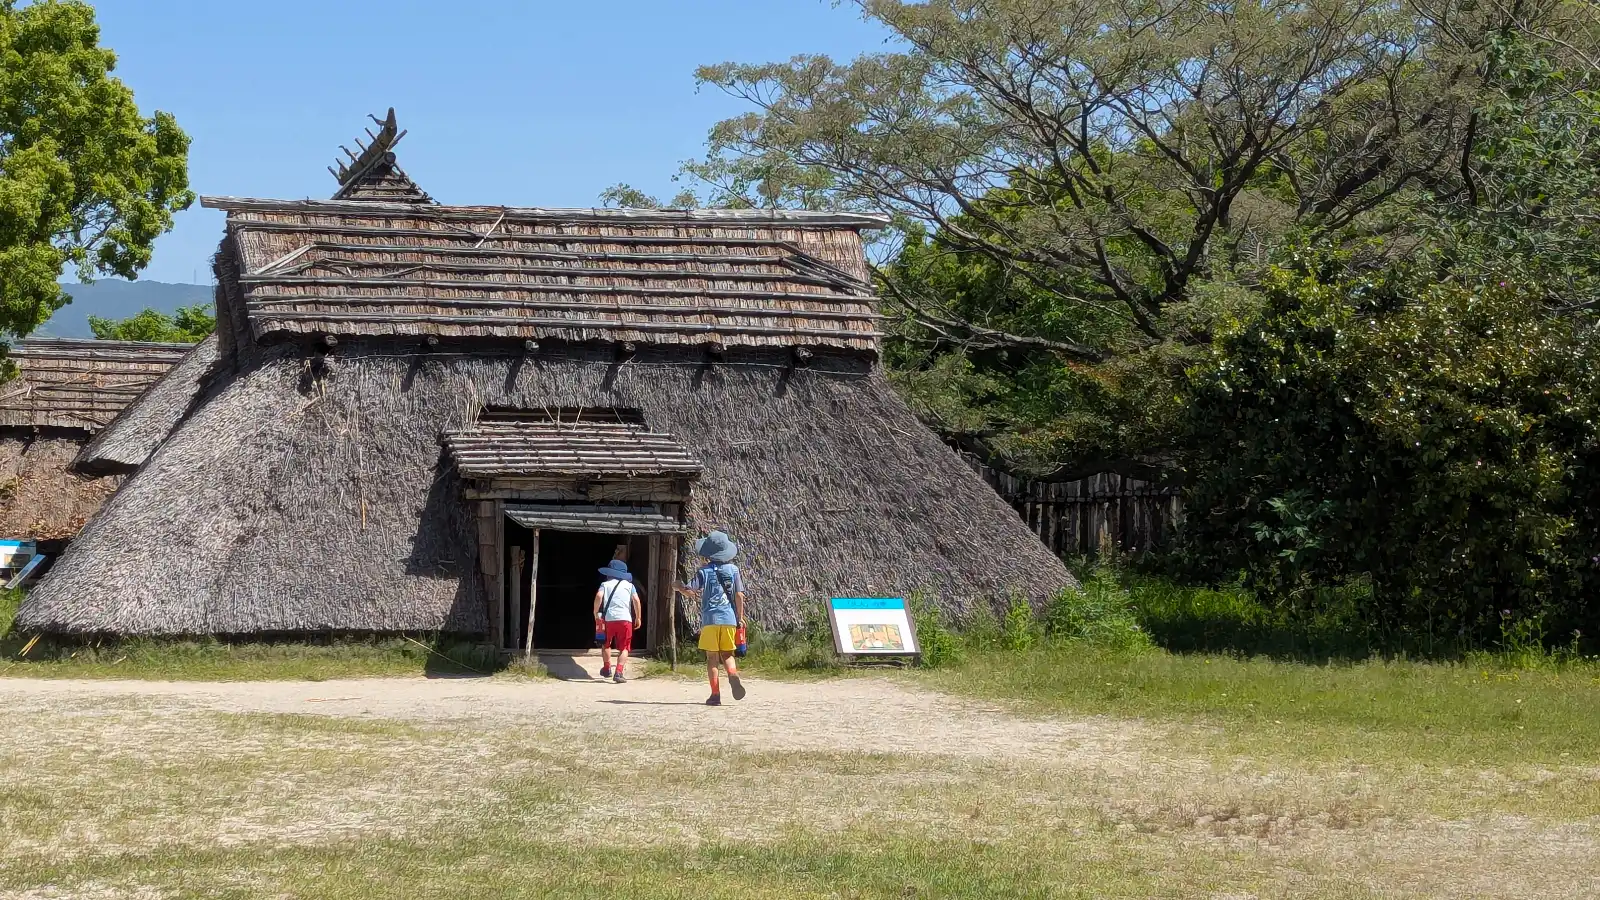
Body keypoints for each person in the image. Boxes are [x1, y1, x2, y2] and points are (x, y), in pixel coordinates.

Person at [674, 530, 746, 705]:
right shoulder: (734, 570)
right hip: (729, 619)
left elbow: (691, 591)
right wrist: (741, 617)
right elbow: (739, 595)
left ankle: (715, 695)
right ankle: (733, 675)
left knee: (712, 658)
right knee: (728, 655)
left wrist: (679, 587)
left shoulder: (703, 572)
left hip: (710, 620)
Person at [593, 558, 641, 683]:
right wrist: (638, 617)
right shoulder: (630, 586)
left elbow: (599, 596)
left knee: (605, 644)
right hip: (625, 619)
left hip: (608, 619)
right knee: (624, 647)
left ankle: (607, 667)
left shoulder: (605, 585)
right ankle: (619, 672)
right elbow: (636, 600)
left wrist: (595, 612)